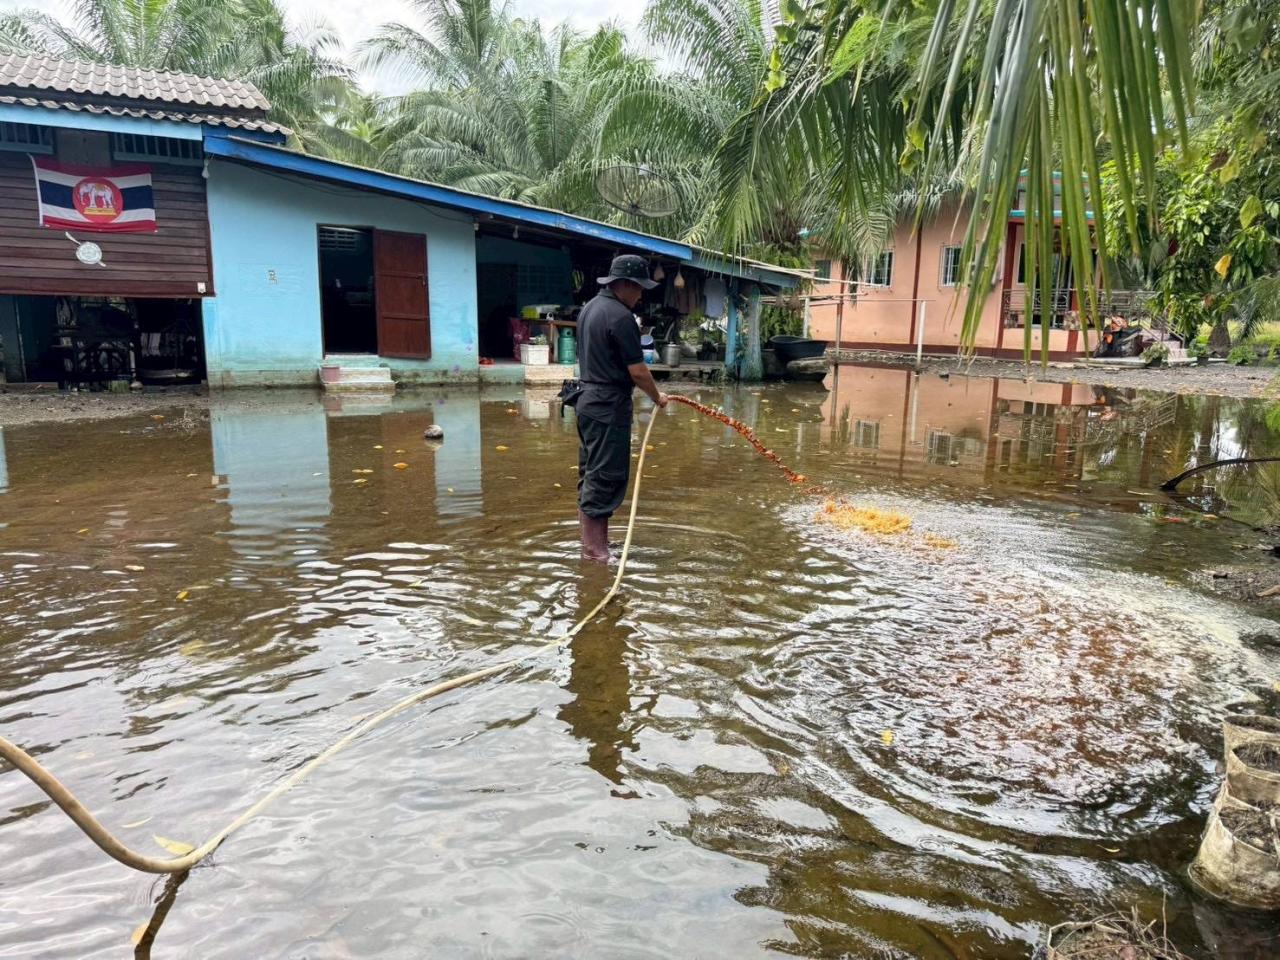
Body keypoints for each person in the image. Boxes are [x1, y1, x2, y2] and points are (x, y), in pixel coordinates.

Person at [575, 254, 669, 561]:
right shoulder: (620, 317)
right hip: (608, 405)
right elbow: (638, 371)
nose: (641, 295)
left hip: (586, 400)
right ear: (625, 285)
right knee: (605, 476)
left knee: (591, 474)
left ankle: (592, 547)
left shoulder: (589, 308)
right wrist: (657, 397)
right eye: (639, 288)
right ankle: (596, 553)